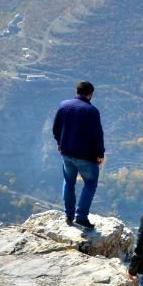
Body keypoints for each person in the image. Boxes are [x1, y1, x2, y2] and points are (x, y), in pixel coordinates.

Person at [52, 80, 105, 228]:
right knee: (90, 183)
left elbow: (56, 128)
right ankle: (81, 216)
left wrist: (59, 143)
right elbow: (97, 135)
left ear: (77, 91)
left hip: (66, 153)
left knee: (69, 182)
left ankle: (68, 216)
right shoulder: (91, 111)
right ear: (91, 94)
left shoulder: (64, 105)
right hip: (86, 156)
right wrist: (100, 154)